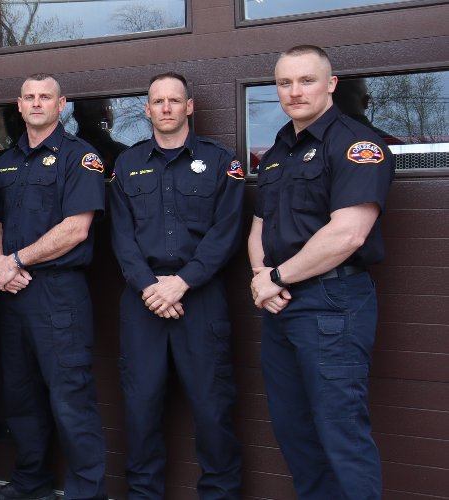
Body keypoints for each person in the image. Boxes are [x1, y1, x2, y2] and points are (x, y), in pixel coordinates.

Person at [249, 45, 393, 499]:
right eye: (285, 82)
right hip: (280, 307)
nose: (294, 91)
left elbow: (348, 234)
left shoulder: (355, 144)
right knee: (295, 433)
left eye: (307, 80)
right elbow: (260, 226)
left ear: (331, 84)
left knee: (340, 434)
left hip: (333, 305)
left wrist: (275, 278)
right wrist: (260, 276)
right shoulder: (277, 151)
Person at [107, 72, 244, 499]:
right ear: (146, 110)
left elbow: (226, 232)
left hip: (200, 298)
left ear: (189, 106)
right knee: (141, 407)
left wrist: (182, 282)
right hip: (142, 300)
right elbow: (121, 236)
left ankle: (221, 494)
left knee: (212, 406)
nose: (166, 108)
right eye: (157, 101)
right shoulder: (126, 164)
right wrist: (151, 287)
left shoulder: (221, 162)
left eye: (174, 100)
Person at [0, 74, 107, 500]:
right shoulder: (6, 161)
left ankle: (86, 492)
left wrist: (16, 260)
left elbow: (76, 228)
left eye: (45, 97)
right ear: (19, 105)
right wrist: (1, 262)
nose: (37, 103)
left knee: (71, 396)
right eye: (29, 97)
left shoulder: (80, 157)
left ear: (61, 104)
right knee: (21, 395)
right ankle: (30, 480)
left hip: (59, 294)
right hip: (13, 292)